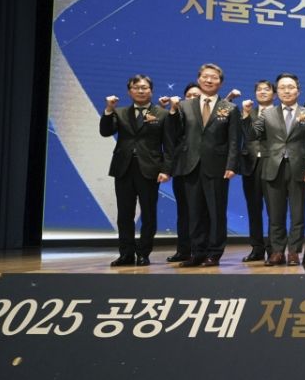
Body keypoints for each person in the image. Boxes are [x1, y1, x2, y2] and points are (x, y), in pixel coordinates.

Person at [241, 74, 305, 266]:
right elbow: (252, 135)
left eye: (290, 87)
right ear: (277, 92)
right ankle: (277, 252)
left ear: (298, 91)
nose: (287, 90)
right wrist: (246, 114)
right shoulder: (268, 114)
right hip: (273, 167)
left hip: (299, 169)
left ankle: (293, 252)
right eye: (282, 87)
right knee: (276, 214)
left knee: (297, 214)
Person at [169, 64, 241, 268]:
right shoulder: (184, 106)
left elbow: (234, 140)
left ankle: (214, 253)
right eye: (206, 77)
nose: (209, 80)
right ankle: (197, 252)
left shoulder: (230, 108)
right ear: (199, 80)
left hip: (217, 166)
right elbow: (174, 134)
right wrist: (172, 111)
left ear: (221, 83)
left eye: (214, 77)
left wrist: (232, 165)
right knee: (194, 212)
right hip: (190, 165)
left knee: (216, 212)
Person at [100, 74, 175, 266]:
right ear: (129, 92)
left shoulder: (162, 114)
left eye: (144, 88)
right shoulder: (119, 112)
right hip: (123, 168)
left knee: (149, 214)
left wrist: (166, 170)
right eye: (136, 88)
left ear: (152, 91)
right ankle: (126, 253)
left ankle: (143, 253)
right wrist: (109, 109)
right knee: (125, 214)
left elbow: (169, 145)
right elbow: (106, 132)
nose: (140, 91)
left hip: (150, 168)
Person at [163, 82, 202, 263]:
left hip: (203, 169)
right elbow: (170, 135)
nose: (192, 98)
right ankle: (183, 249)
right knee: (184, 212)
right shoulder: (176, 114)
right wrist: (172, 109)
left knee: (199, 212)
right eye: (189, 96)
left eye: (196, 95)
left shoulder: (208, 115)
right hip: (181, 168)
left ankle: (199, 249)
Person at [238, 80, 275, 262]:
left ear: (274, 94)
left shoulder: (280, 113)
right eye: (259, 89)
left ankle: (273, 248)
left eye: (266, 89)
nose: (262, 92)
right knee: (253, 209)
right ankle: (257, 248)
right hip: (250, 165)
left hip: (273, 164)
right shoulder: (247, 113)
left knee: (274, 209)